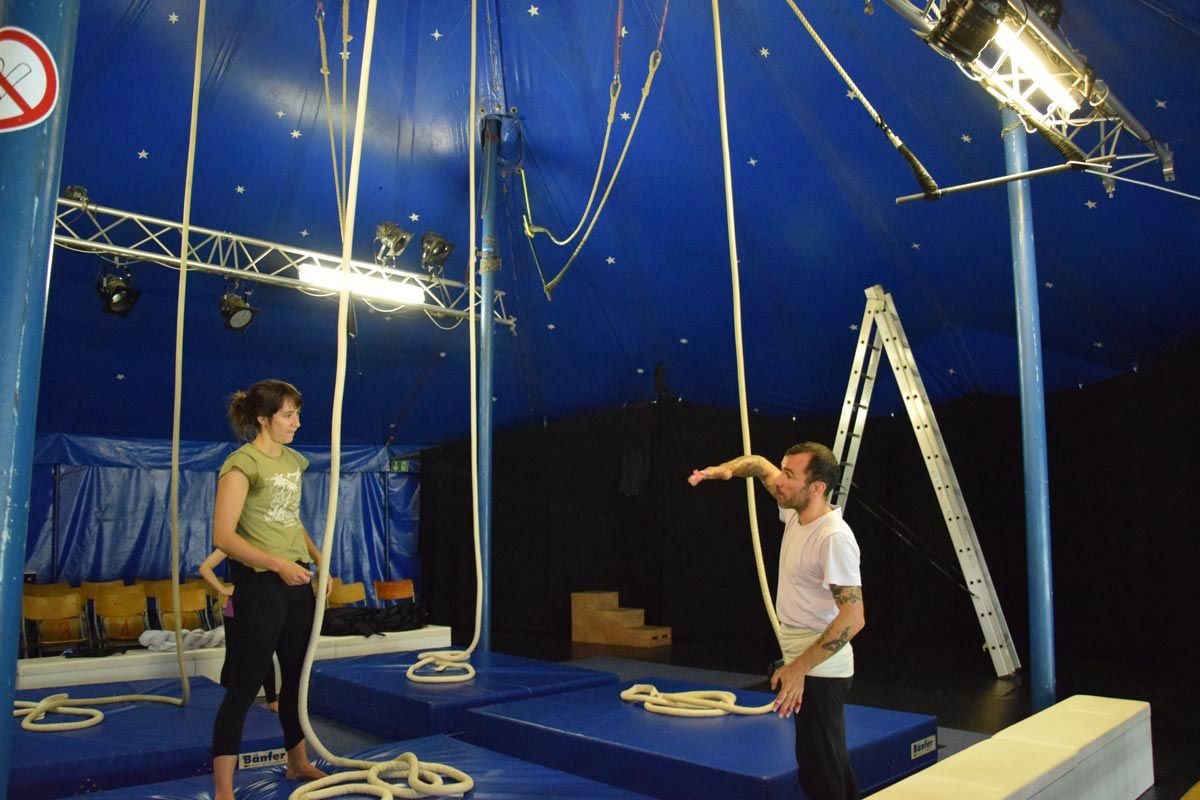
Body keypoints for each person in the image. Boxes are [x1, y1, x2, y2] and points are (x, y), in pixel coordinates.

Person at [689, 442, 865, 800]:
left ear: (817, 487)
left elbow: (853, 617)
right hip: (804, 657)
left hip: (821, 668)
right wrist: (726, 470)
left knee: (819, 771)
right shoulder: (796, 510)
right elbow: (756, 465)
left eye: (789, 474)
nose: (779, 481)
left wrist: (799, 668)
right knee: (828, 760)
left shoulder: (832, 537)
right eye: (782, 470)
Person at [208, 379, 326, 800]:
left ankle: (297, 761)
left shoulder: (294, 461)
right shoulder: (242, 464)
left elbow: (289, 518)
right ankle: (224, 789)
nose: (297, 422)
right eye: (288, 415)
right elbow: (224, 535)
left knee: (295, 680)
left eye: (297, 413)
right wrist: (277, 564)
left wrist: (315, 559)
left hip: (297, 585)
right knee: (245, 685)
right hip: (259, 585)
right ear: (263, 418)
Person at [198, 549, 282, 713]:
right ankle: (223, 697)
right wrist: (223, 589)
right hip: (236, 606)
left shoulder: (261, 542)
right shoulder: (230, 545)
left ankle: (272, 700)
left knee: (264, 652)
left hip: (261, 604)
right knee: (232, 655)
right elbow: (204, 568)